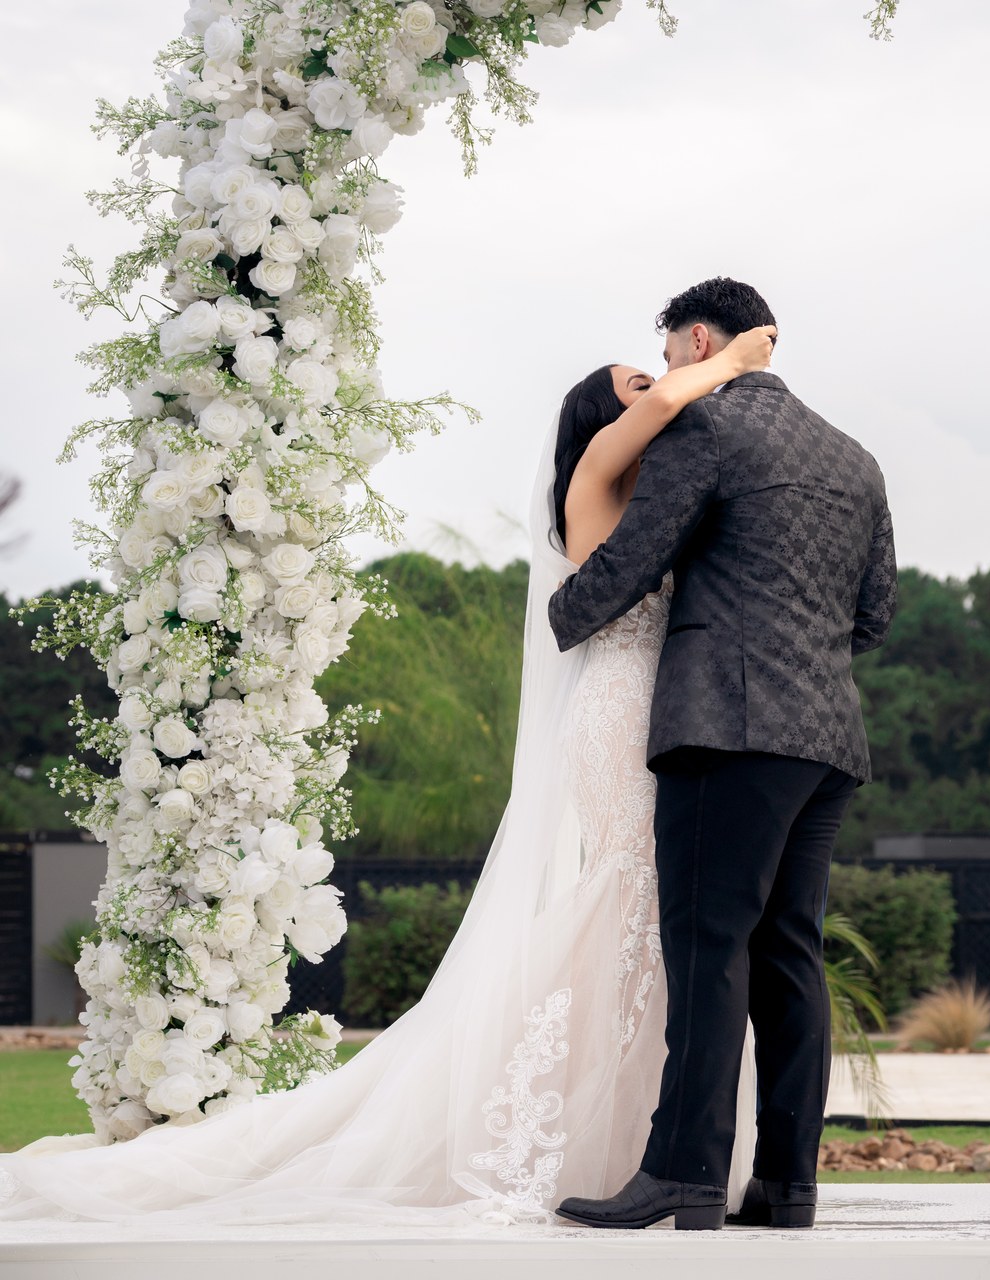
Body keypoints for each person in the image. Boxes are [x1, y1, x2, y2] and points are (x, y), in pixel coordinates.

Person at [0, 319, 780, 1227]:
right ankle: (615, 1140)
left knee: (651, 917)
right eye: (635, 382)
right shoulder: (601, 467)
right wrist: (729, 362)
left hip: (669, 708)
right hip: (619, 715)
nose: (654, 387)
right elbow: (673, 412)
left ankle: (647, 1141)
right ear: (600, 417)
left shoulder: (661, 498)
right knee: (640, 904)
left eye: (656, 376)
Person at [549, 276, 897, 1231]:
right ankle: (787, 1185)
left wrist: (564, 615)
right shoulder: (857, 458)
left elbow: (632, 557)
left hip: (726, 726)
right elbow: (876, 616)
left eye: (665, 357)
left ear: (699, 340)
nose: (666, 373)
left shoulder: (705, 432)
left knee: (706, 951)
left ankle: (684, 1175)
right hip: (827, 736)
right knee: (790, 956)